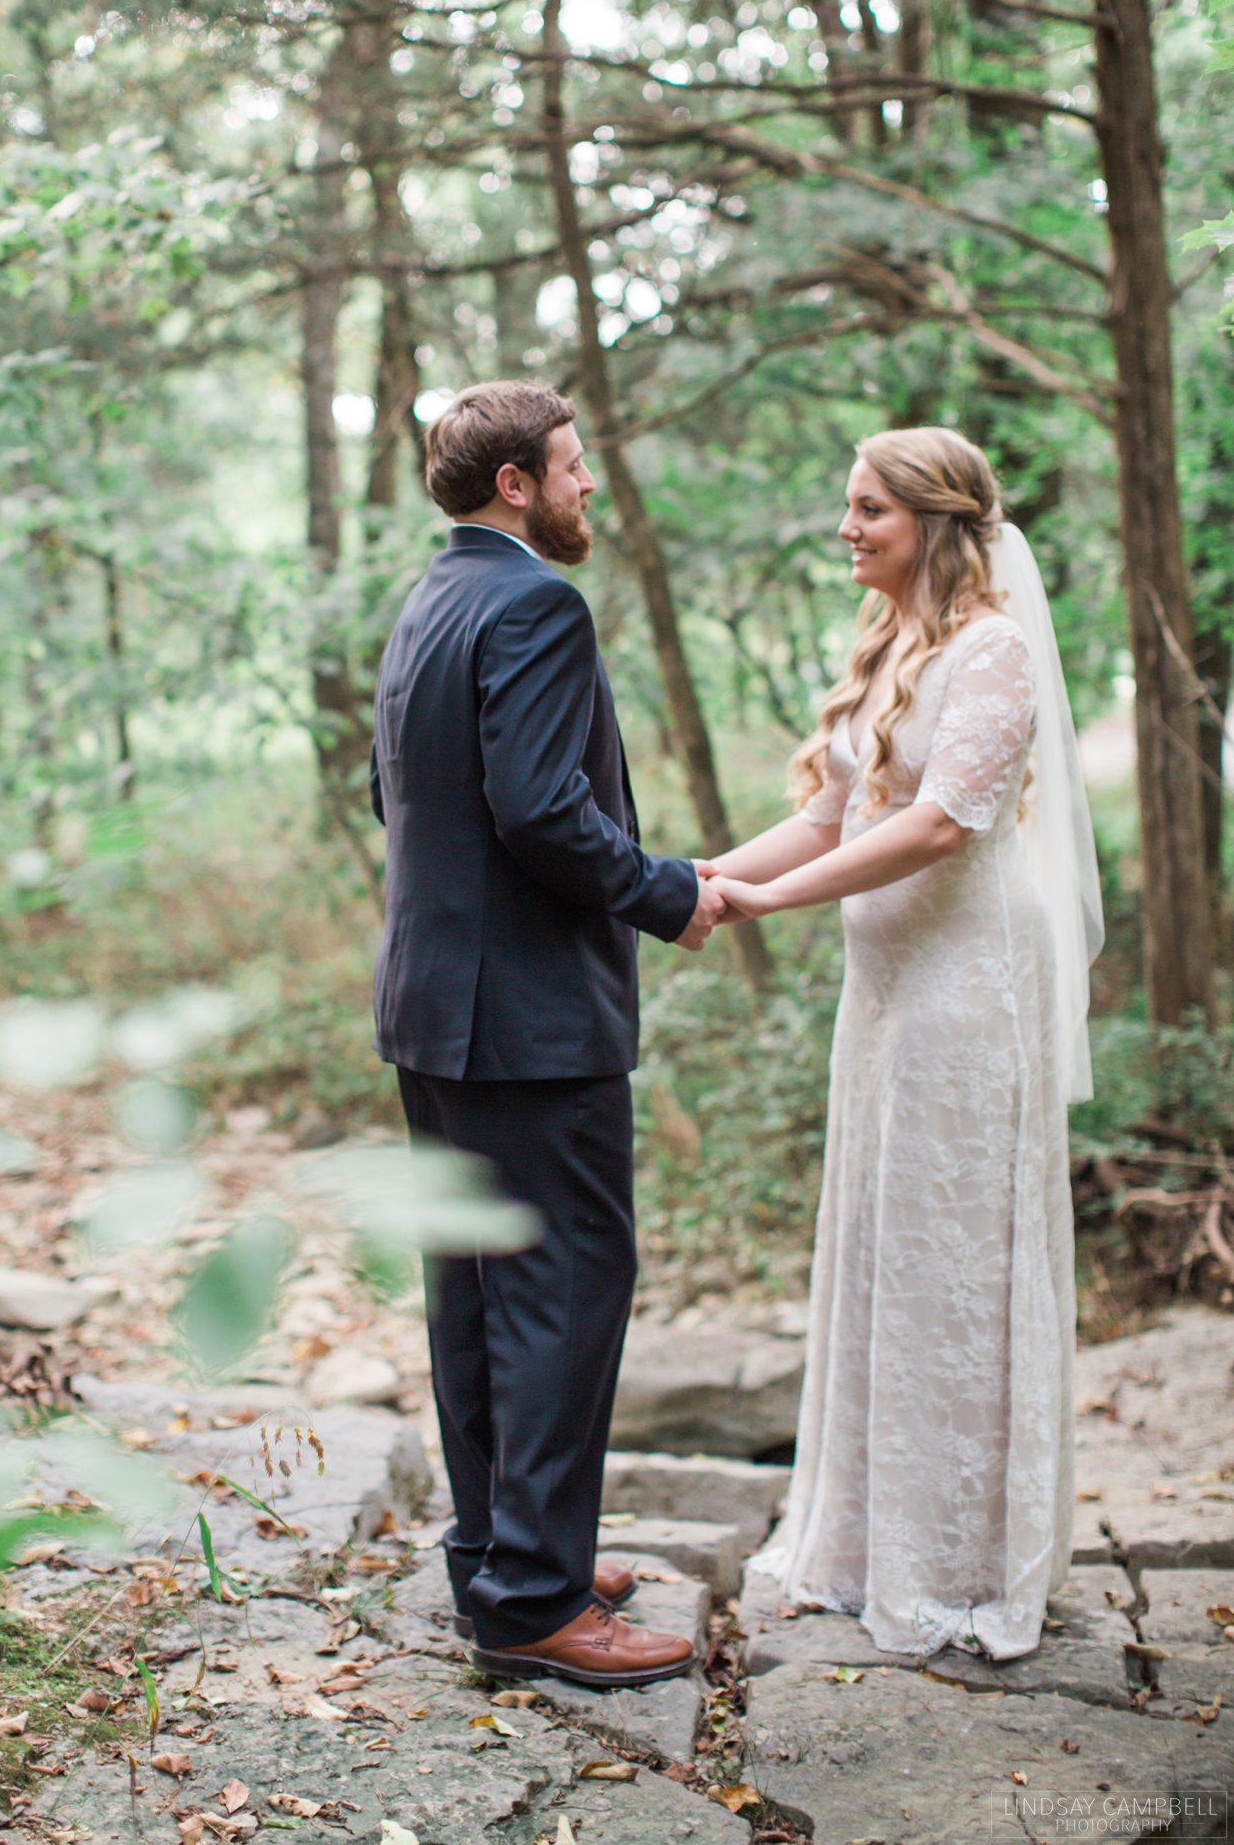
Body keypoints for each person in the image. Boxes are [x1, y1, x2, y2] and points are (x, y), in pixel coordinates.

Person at [706, 425, 1103, 1661]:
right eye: (846, 505)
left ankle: (967, 1562)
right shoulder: (887, 644)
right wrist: (701, 876)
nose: (845, 529)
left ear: (930, 519)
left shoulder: (991, 652)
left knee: (954, 1260)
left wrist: (781, 900)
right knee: (882, 1250)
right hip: (880, 1001)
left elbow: (940, 823)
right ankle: (871, 1542)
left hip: (966, 991)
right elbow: (828, 808)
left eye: (866, 508)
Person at [369, 379, 725, 1689]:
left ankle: (505, 1554)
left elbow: (390, 792)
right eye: (572, 468)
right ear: (516, 480)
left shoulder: (428, 600)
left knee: (476, 1295)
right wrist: (667, 892)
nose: (586, 488)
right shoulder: (534, 601)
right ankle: (531, 1598)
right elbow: (538, 807)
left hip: (429, 1015)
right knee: (565, 1294)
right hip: (529, 1028)